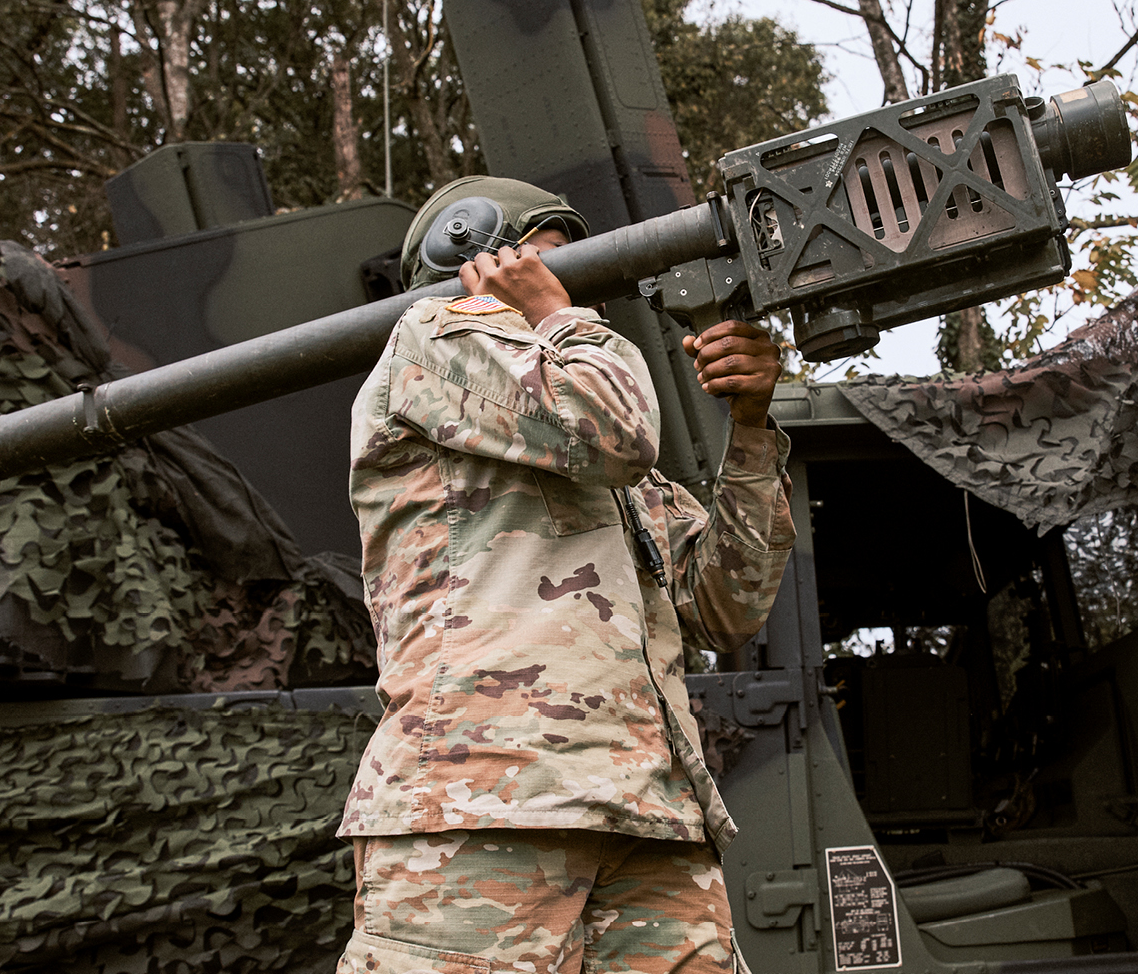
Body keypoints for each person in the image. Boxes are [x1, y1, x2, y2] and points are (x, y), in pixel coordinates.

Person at [337, 176, 795, 974]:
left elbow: (726, 606)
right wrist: (555, 314)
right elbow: (615, 430)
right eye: (547, 266)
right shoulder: (433, 338)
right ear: (474, 260)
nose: (576, 291)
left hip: (649, 814)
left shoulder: (601, 451)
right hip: (484, 804)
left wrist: (751, 426)